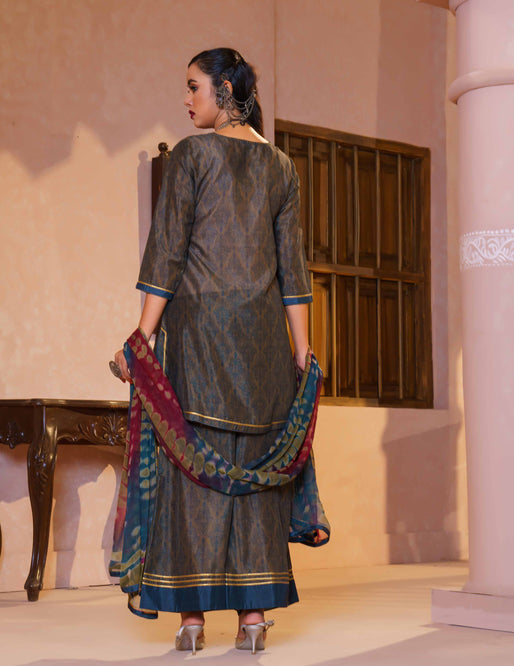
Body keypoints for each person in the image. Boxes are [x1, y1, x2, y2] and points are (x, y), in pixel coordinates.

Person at [112, 47, 325, 655]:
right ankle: (253, 621)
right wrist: (302, 350)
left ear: (225, 89)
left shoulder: (192, 156)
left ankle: (191, 621)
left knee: (193, 474)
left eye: (193, 87)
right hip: (263, 342)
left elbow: (167, 252)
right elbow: (293, 270)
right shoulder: (282, 167)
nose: (186, 100)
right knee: (256, 469)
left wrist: (142, 337)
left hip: (200, 335)